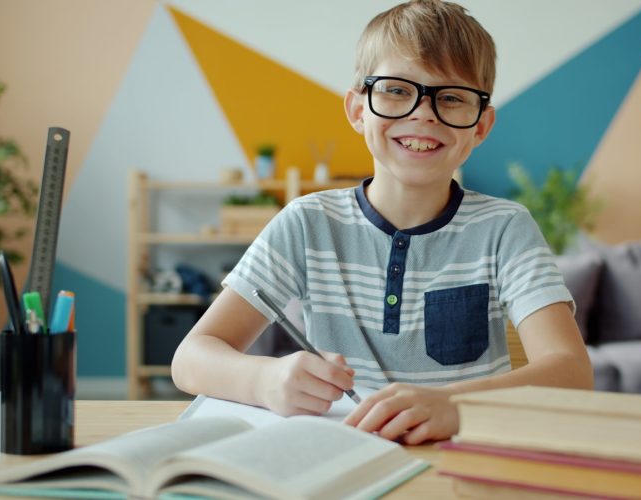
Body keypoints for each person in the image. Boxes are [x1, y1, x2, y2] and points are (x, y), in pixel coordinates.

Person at [172, 0, 592, 445]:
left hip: (464, 462)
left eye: (451, 97)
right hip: (341, 456)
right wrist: (266, 379)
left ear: (481, 126)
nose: (424, 113)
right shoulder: (306, 223)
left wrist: (455, 406)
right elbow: (191, 359)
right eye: (396, 90)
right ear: (357, 110)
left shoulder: (505, 229)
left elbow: (572, 372)